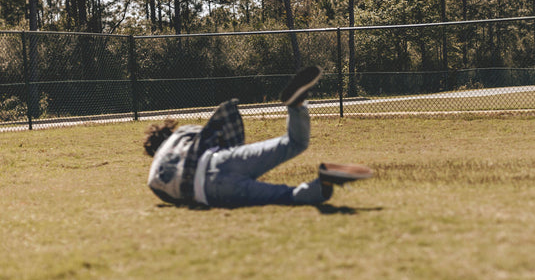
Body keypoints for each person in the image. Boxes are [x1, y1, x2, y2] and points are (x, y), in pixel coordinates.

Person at [143, 65, 372, 208]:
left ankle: (324, 181)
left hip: (213, 191)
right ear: (166, 134)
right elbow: (209, 132)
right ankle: (296, 106)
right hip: (222, 158)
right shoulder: (180, 136)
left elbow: (180, 200)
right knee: (293, 143)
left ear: (154, 152)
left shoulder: (153, 180)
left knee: (286, 196)